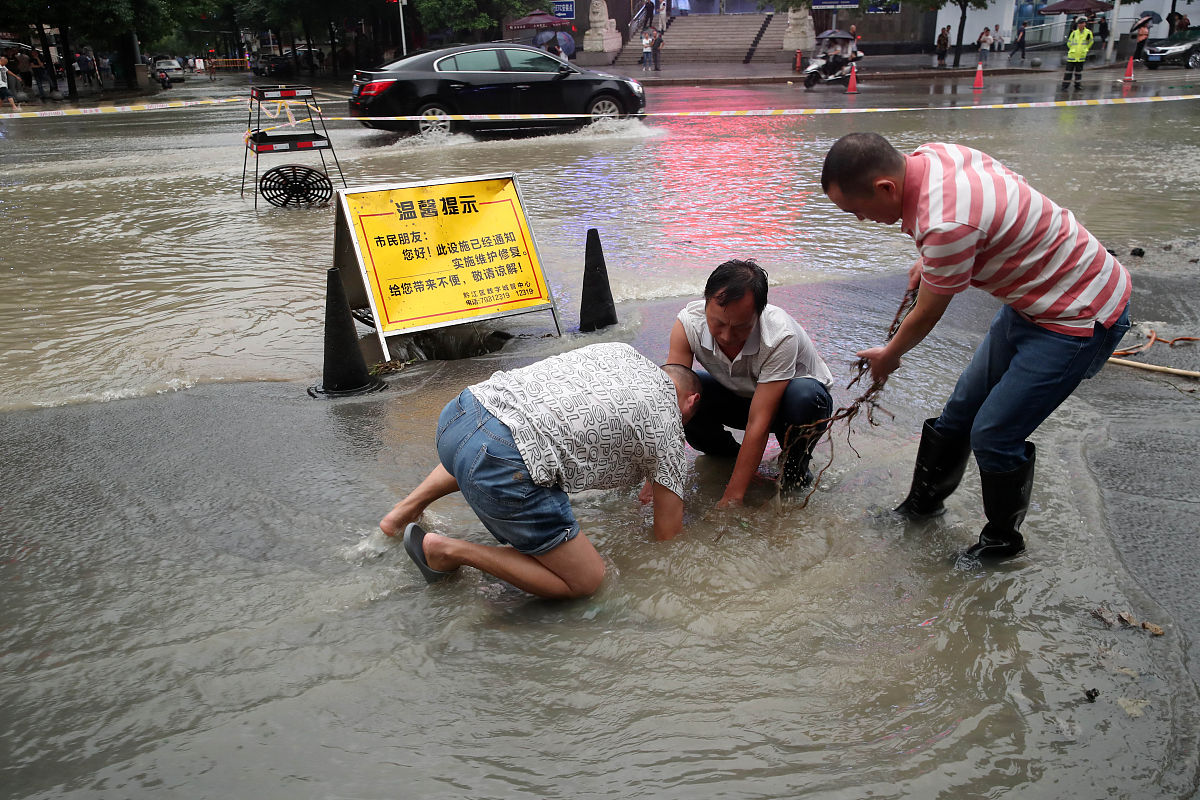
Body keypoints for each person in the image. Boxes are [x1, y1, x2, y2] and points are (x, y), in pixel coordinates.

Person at [821, 133, 1131, 560]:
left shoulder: (946, 226)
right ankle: (921, 507)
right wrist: (931, 261)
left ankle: (1003, 543)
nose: (860, 219)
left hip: (1078, 316)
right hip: (1031, 301)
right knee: (960, 413)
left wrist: (889, 355)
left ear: (886, 188)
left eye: (857, 210)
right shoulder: (935, 155)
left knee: (995, 434)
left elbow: (928, 312)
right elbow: (989, 215)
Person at [378, 343, 702, 599]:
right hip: (502, 464)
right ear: (690, 402)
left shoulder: (620, 353)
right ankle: (447, 551)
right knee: (589, 581)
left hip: (461, 413)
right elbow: (667, 536)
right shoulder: (668, 424)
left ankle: (404, 511)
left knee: (494, 436)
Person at [667, 260, 834, 505]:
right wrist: (657, 479)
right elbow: (671, 405)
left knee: (804, 397)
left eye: (741, 328)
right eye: (719, 323)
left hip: (793, 406)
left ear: (759, 313)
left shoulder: (779, 336)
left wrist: (732, 498)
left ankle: (794, 471)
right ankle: (731, 460)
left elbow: (760, 421)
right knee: (688, 393)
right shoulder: (688, 324)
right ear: (706, 303)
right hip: (741, 397)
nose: (726, 336)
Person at [1062, 15, 1093, 89]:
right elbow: (1069, 43)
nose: (1082, 24)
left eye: (1083, 23)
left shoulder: (1088, 33)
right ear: (1078, 24)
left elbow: (1090, 42)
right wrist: (1073, 49)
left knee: (1078, 73)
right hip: (1072, 56)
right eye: (1080, 23)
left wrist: (1085, 49)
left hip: (1081, 56)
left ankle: (1077, 85)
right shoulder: (1074, 33)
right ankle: (1065, 86)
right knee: (1068, 72)